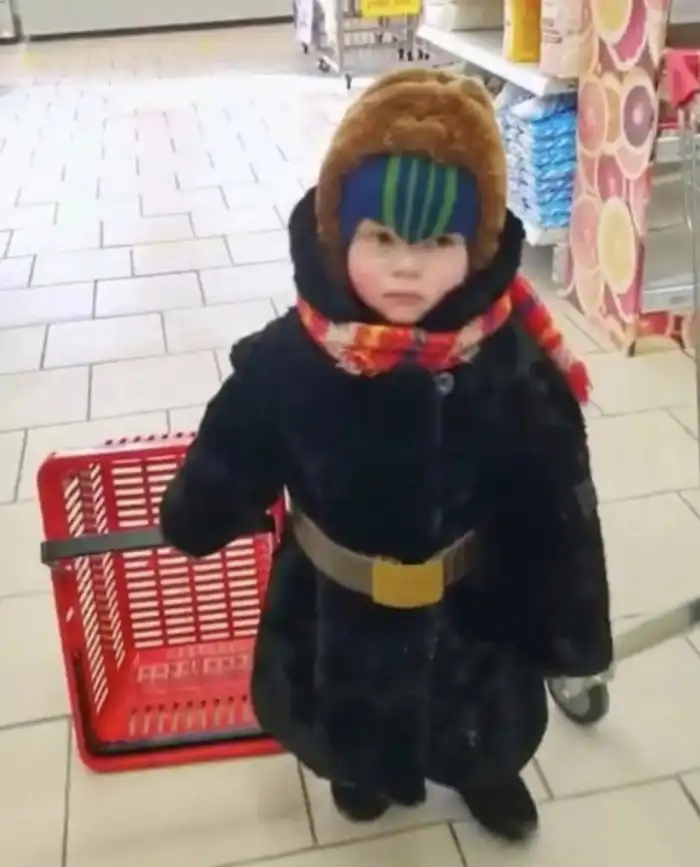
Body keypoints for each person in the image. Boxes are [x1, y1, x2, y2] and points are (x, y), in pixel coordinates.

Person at [159, 68, 612, 842]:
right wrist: (200, 511)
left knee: (480, 724)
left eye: (437, 242)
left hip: (473, 605)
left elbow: (559, 499)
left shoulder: (508, 362)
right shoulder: (291, 359)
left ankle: (483, 770)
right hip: (333, 606)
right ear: (341, 237)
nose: (407, 266)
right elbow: (233, 449)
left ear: (477, 248)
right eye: (382, 239)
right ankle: (359, 770)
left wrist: (572, 622)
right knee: (347, 727)